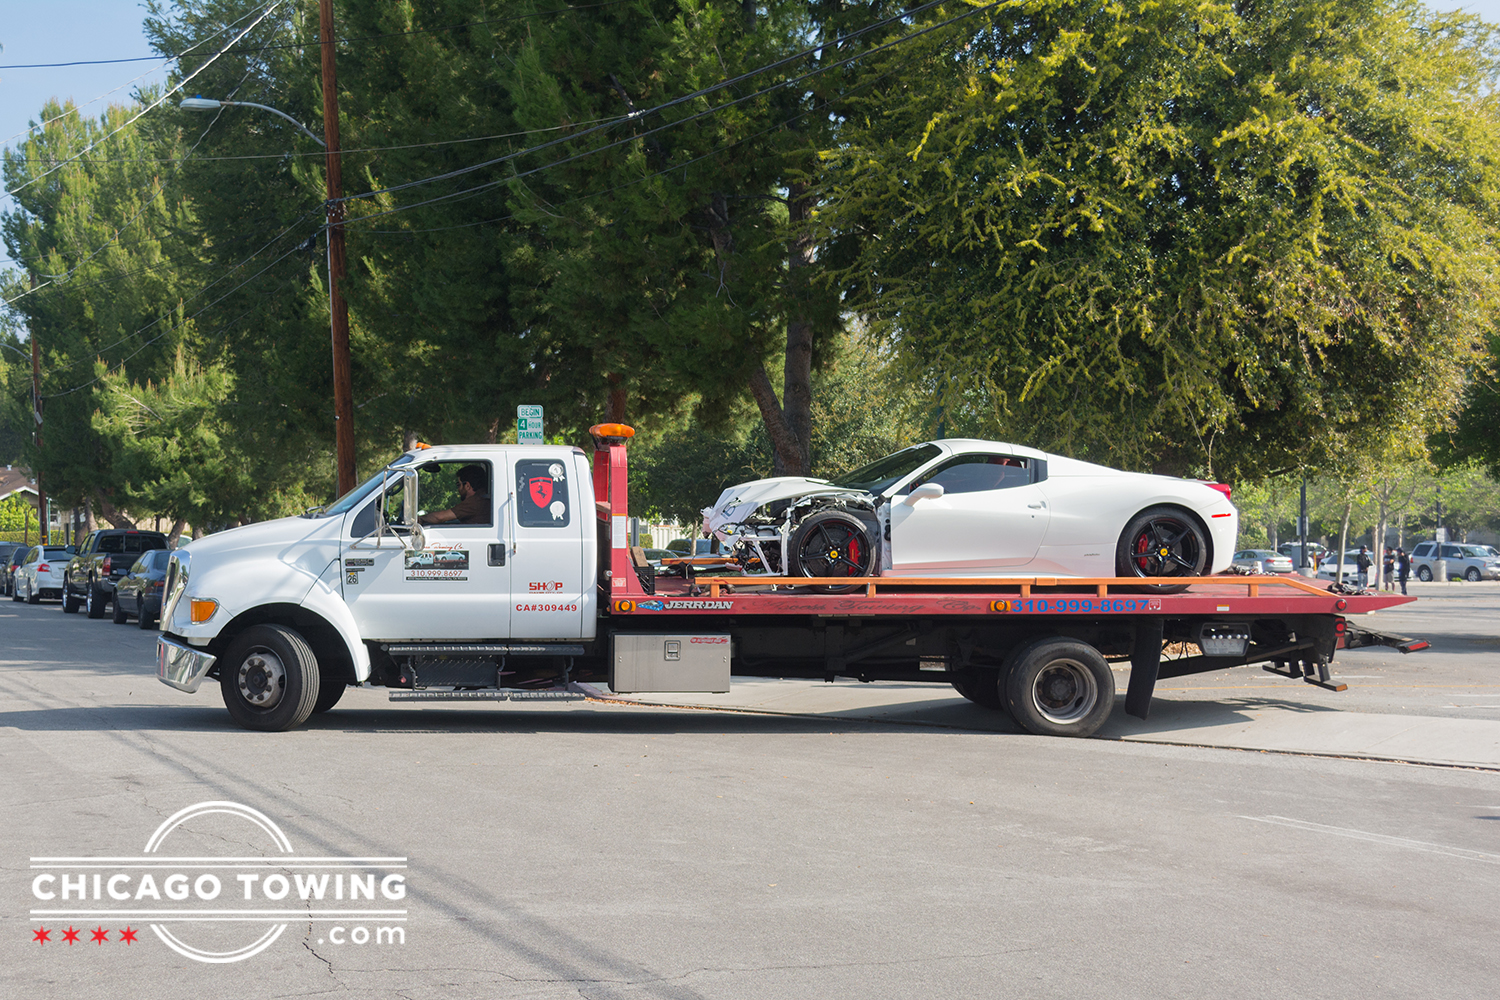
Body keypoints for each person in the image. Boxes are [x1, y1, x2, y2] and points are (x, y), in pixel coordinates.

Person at [417, 465, 491, 525]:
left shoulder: (475, 502)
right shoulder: (482, 497)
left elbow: (440, 517)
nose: (458, 489)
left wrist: (421, 519)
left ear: (467, 486)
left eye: (459, 484)